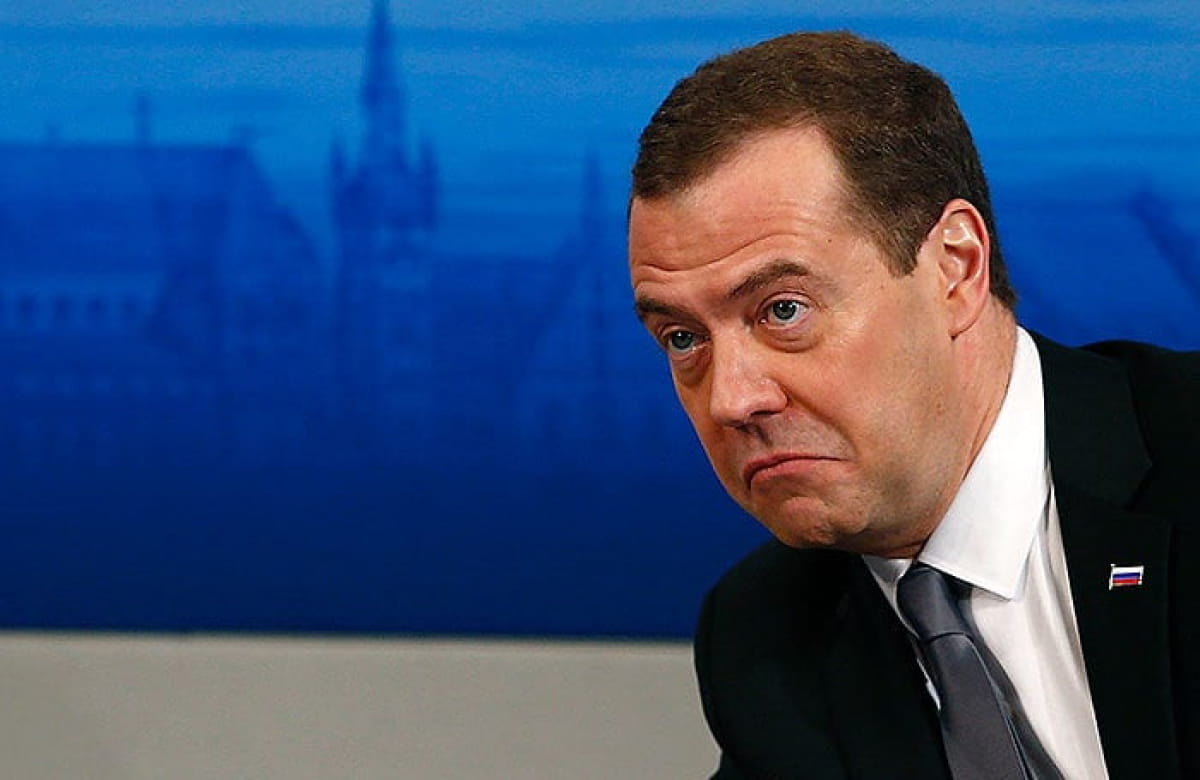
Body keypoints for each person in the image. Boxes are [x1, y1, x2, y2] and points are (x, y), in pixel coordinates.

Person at [626, 31, 1199, 780]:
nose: (732, 399)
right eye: (682, 338)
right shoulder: (767, 640)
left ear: (955, 269)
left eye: (784, 310)